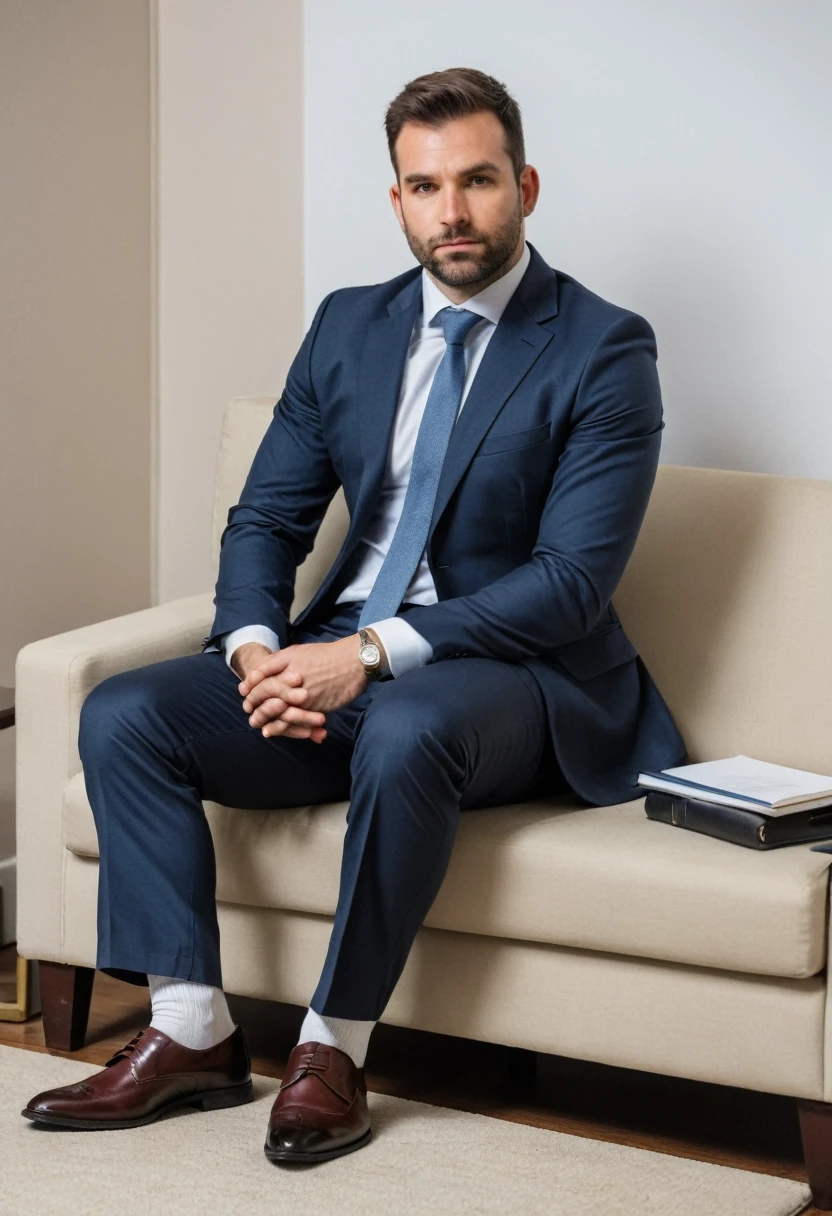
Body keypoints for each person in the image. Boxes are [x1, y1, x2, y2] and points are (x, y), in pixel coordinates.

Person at [21, 66, 686, 1164]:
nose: (453, 212)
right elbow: (265, 520)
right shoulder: (348, 327)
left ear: (523, 185)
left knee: (408, 721)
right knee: (128, 713)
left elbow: (570, 582)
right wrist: (254, 650)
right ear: (396, 202)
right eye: (425, 187)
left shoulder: (604, 347)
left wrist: (367, 656)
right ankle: (191, 1028)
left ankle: (334, 1044)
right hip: (340, 664)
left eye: (477, 181)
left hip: (518, 675)